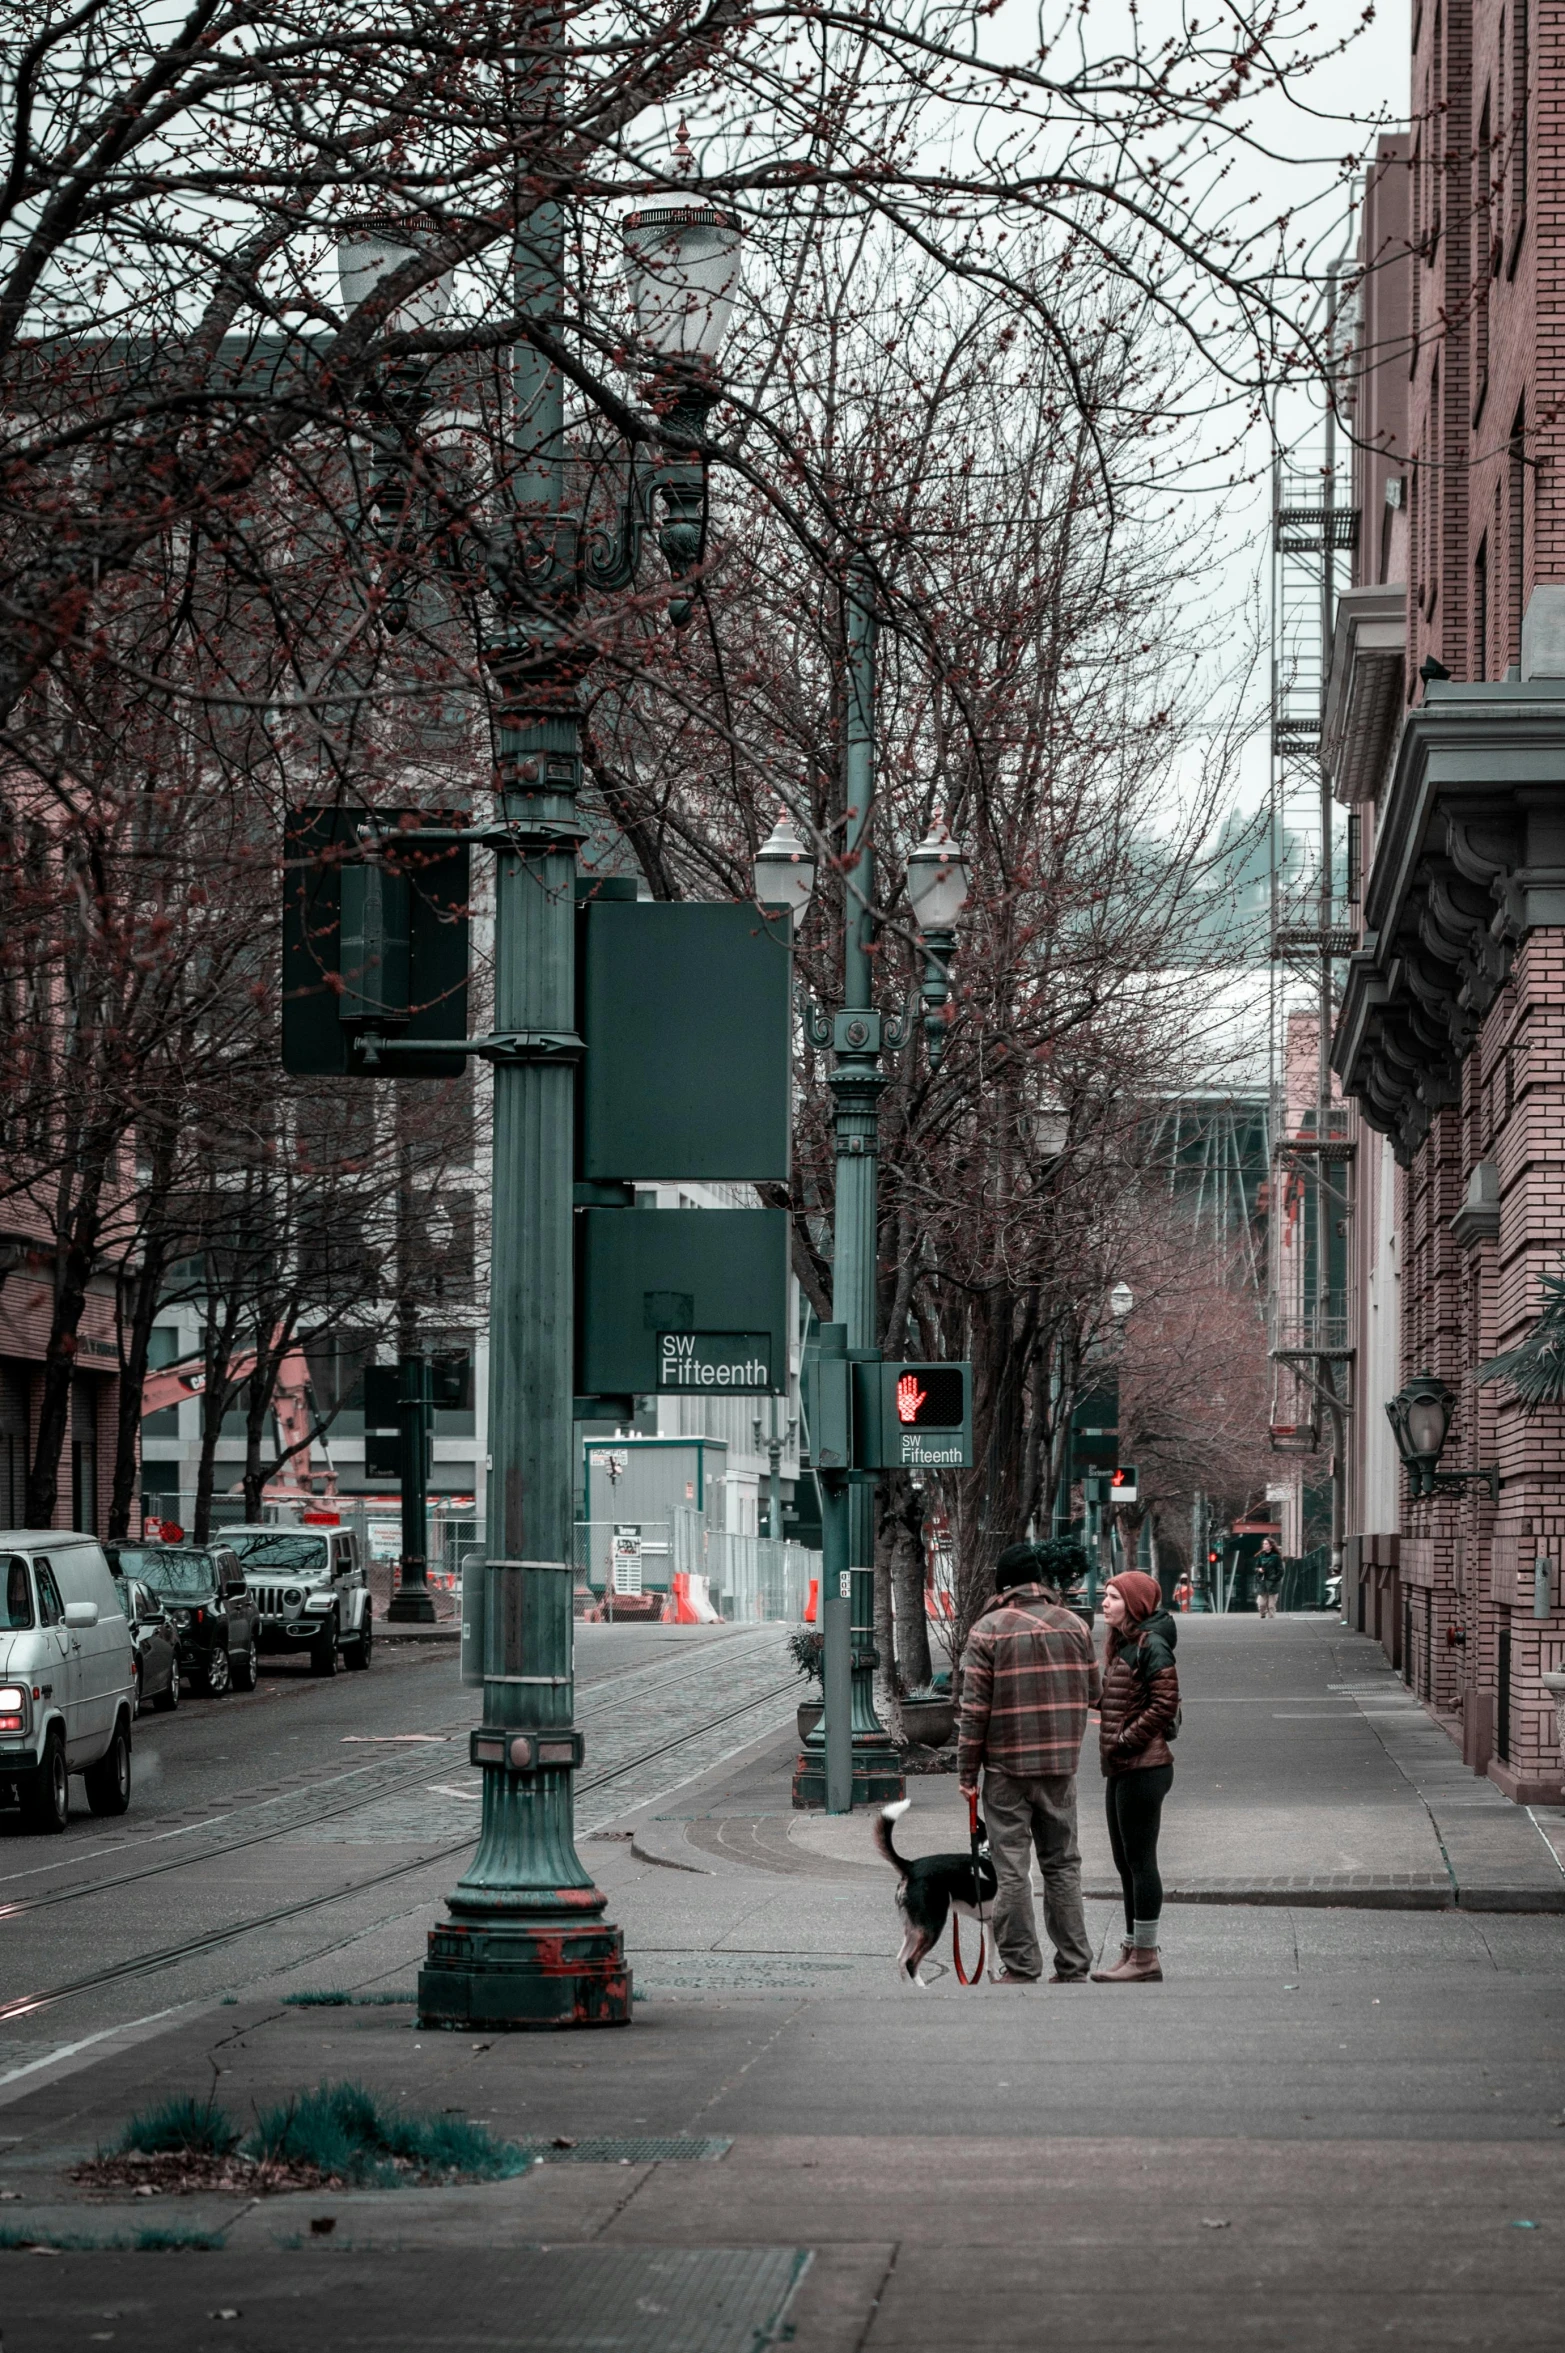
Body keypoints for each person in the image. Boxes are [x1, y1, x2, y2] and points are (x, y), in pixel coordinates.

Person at [956, 1538, 1100, 1985]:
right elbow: (1094, 1694)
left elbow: (973, 1711)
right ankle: (1074, 1963)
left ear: (1003, 1586)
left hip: (1005, 1772)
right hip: (1060, 1768)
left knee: (1011, 1867)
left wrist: (966, 1773)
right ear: (1039, 1581)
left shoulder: (988, 1630)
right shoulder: (1075, 1626)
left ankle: (1021, 1966)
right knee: (1062, 1864)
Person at [1092, 1568, 1180, 1984]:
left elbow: (1165, 1705)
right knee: (1125, 1861)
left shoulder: (1153, 1644)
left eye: (1112, 1597)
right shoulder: (1126, 1644)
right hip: (1123, 1766)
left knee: (1141, 1862)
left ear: (1135, 1605)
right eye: (1104, 1595)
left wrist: (1127, 1738)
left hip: (1144, 1767)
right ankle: (1132, 1948)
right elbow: (1120, 1697)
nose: (1104, 1603)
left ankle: (1145, 1956)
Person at [1254, 1537, 1285, 1620]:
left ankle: (1271, 1621)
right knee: (1261, 1604)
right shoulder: (1261, 1557)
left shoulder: (1276, 1557)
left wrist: (1274, 1578)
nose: (1264, 1545)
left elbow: (1281, 1571)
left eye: (1266, 1544)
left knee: (1271, 1605)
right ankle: (1263, 1613)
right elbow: (1256, 1567)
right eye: (1263, 1544)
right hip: (1263, 1582)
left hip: (1273, 1583)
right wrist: (1259, 1570)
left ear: (1271, 1546)